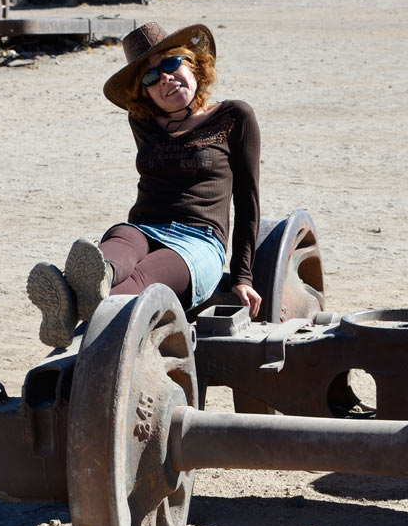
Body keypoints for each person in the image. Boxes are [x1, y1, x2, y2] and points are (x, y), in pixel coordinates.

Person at [27, 22, 262, 349]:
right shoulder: (143, 122)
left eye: (170, 64)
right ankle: (88, 287)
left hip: (198, 241)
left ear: (192, 63)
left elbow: (248, 201)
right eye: (150, 78)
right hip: (142, 227)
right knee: (115, 250)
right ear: (146, 94)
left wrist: (242, 277)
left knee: (144, 279)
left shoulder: (234, 116)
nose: (165, 78)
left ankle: (75, 317)